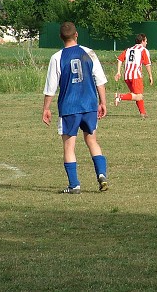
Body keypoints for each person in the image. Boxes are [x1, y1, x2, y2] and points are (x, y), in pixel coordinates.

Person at [42, 22, 109, 194]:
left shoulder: (57, 57)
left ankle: (74, 185)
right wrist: (103, 102)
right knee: (92, 140)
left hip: (69, 107)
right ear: (76, 35)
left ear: (60, 37)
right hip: (89, 105)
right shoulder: (88, 53)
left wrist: (46, 108)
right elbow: (100, 80)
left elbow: (51, 87)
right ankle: (102, 175)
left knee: (69, 146)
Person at [114, 33, 153, 118]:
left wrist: (118, 71)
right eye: (146, 41)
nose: (146, 43)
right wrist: (150, 76)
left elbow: (120, 59)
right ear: (142, 41)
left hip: (127, 76)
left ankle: (143, 113)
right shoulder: (143, 50)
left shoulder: (129, 49)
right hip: (136, 76)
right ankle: (120, 97)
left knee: (136, 95)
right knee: (139, 96)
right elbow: (147, 64)